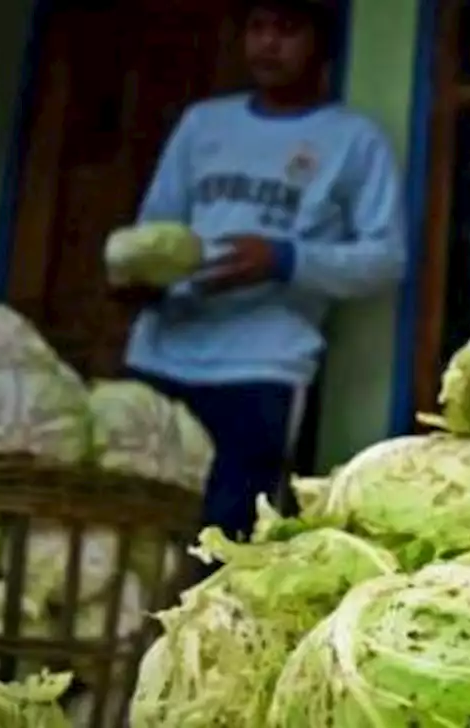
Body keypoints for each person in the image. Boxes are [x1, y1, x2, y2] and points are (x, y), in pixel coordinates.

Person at [114, 0, 407, 552]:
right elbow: (156, 228)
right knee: (126, 533)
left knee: (225, 545)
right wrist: (138, 280)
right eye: (257, 28)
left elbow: (385, 260)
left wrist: (284, 259)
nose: (268, 44)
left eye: (287, 28)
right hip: (160, 354)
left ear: (322, 45)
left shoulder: (353, 139)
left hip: (260, 369)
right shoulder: (204, 124)